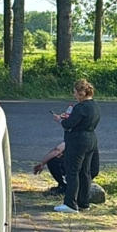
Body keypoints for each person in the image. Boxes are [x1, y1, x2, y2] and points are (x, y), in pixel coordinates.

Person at [53, 78, 101, 213]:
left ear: (81, 93)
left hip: (78, 141)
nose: (74, 95)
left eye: (75, 92)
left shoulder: (81, 107)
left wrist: (60, 120)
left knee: (72, 171)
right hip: (91, 139)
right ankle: (83, 202)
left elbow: (68, 124)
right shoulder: (94, 105)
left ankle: (70, 203)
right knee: (85, 172)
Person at [33, 140, 99, 194]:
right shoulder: (90, 137)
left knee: (53, 161)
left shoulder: (76, 136)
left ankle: (64, 186)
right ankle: (75, 185)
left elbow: (57, 150)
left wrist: (42, 163)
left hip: (83, 171)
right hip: (90, 171)